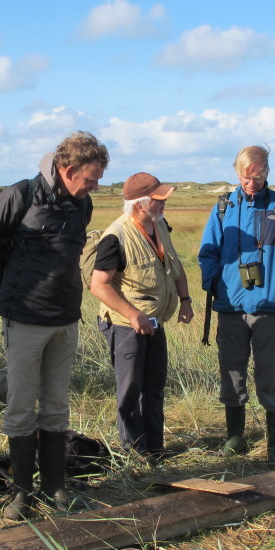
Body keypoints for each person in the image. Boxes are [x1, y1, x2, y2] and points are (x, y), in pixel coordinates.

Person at [0, 131, 108, 519]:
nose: (94, 187)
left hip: (66, 320)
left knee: (56, 405)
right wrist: (13, 301)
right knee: (20, 406)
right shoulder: (18, 195)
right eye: (89, 179)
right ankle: (21, 492)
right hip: (25, 321)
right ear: (67, 171)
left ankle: (54, 485)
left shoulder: (82, 205)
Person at [197, 145, 275, 468]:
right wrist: (217, 285)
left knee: (269, 373)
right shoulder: (222, 207)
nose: (251, 183)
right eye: (245, 176)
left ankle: (274, 443)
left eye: (257, 177)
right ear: (236, 172)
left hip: (270, 309)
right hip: (230, 307)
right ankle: (235, 438)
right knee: (231, 372)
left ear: (267, 172)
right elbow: (207, 253)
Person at [89, 173, 193, 461]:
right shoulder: (115, 237)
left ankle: (155, 448)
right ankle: (134, 454)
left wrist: (185, 300)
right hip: (126, 327)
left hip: (154, 323)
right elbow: (98, 285)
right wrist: (133, 314)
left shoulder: (160, 227)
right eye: (159, 199)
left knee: (155, 387)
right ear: (141, 205)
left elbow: (175, 265)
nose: (164, 202)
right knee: (130, 391)